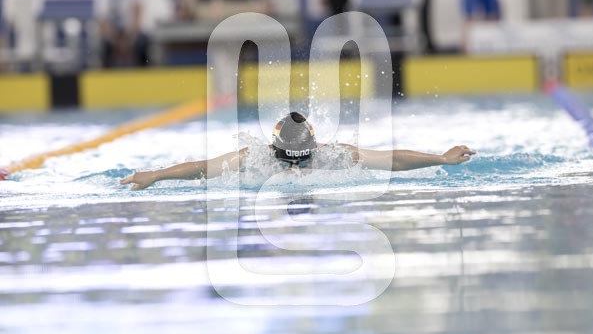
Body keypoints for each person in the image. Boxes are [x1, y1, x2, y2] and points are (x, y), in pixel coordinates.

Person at [120, 112, 476, 190]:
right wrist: (157, 175)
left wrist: (441, 159)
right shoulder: (254, 156)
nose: (295, 170)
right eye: (287, 162)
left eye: (301, 162)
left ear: (313, 149)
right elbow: (203, 167)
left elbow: (391, 159)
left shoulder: (334, 155)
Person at [91, 0, 150, 68]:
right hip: (111, 33)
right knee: (103, 44)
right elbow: (101, 17)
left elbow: (137, 8)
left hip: (130, 30)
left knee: (142, 42)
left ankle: (144, 75)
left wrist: (129, 38)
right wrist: (114, 40)